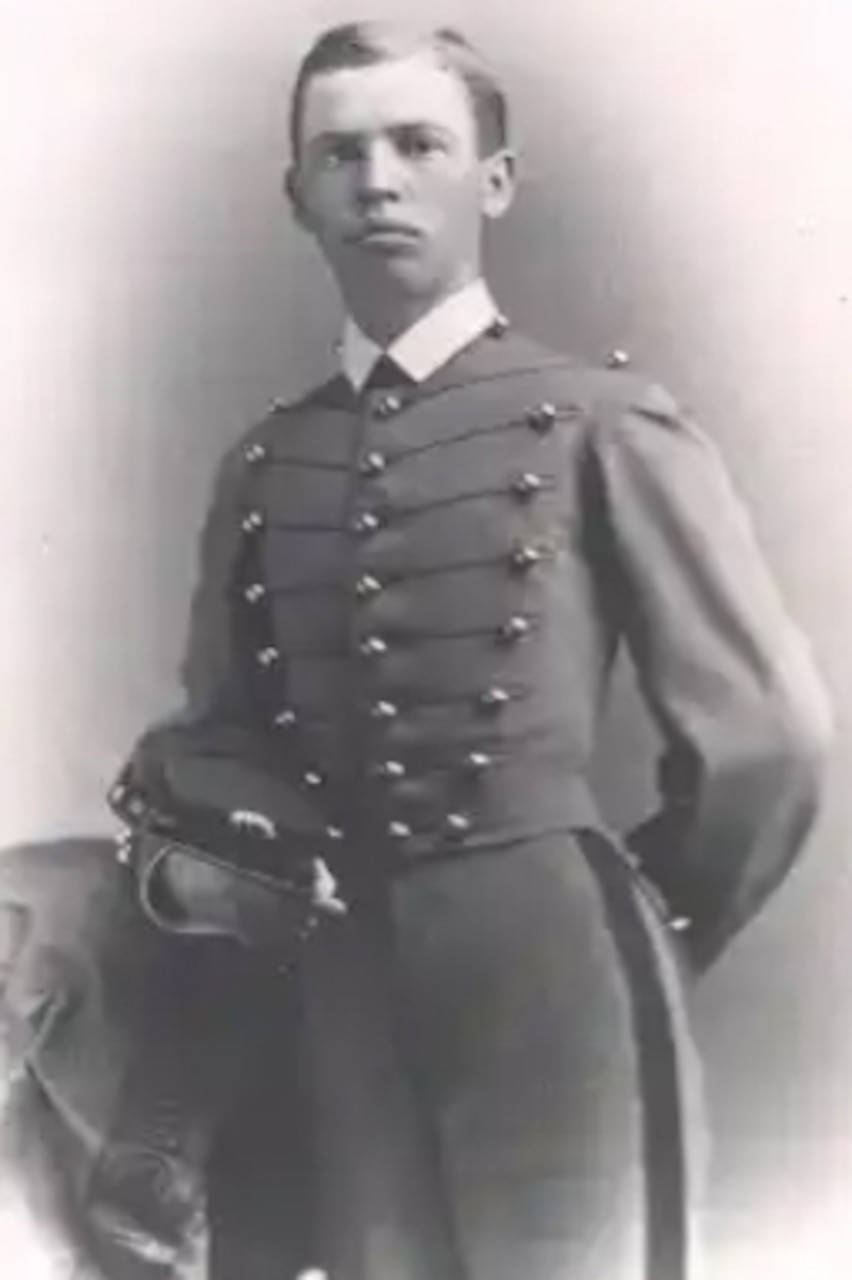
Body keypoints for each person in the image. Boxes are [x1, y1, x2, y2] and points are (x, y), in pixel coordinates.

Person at [0, 19, 833, 1280]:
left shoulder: (599, 422)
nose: (377, 178)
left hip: (556, 979)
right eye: (340, 154)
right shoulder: (269, 467)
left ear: (491, 179)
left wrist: (639, 933)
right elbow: (215, 740)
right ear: (298, 196)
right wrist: (204, 875)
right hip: (343, 998)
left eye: (417, 144)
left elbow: (770, 738)